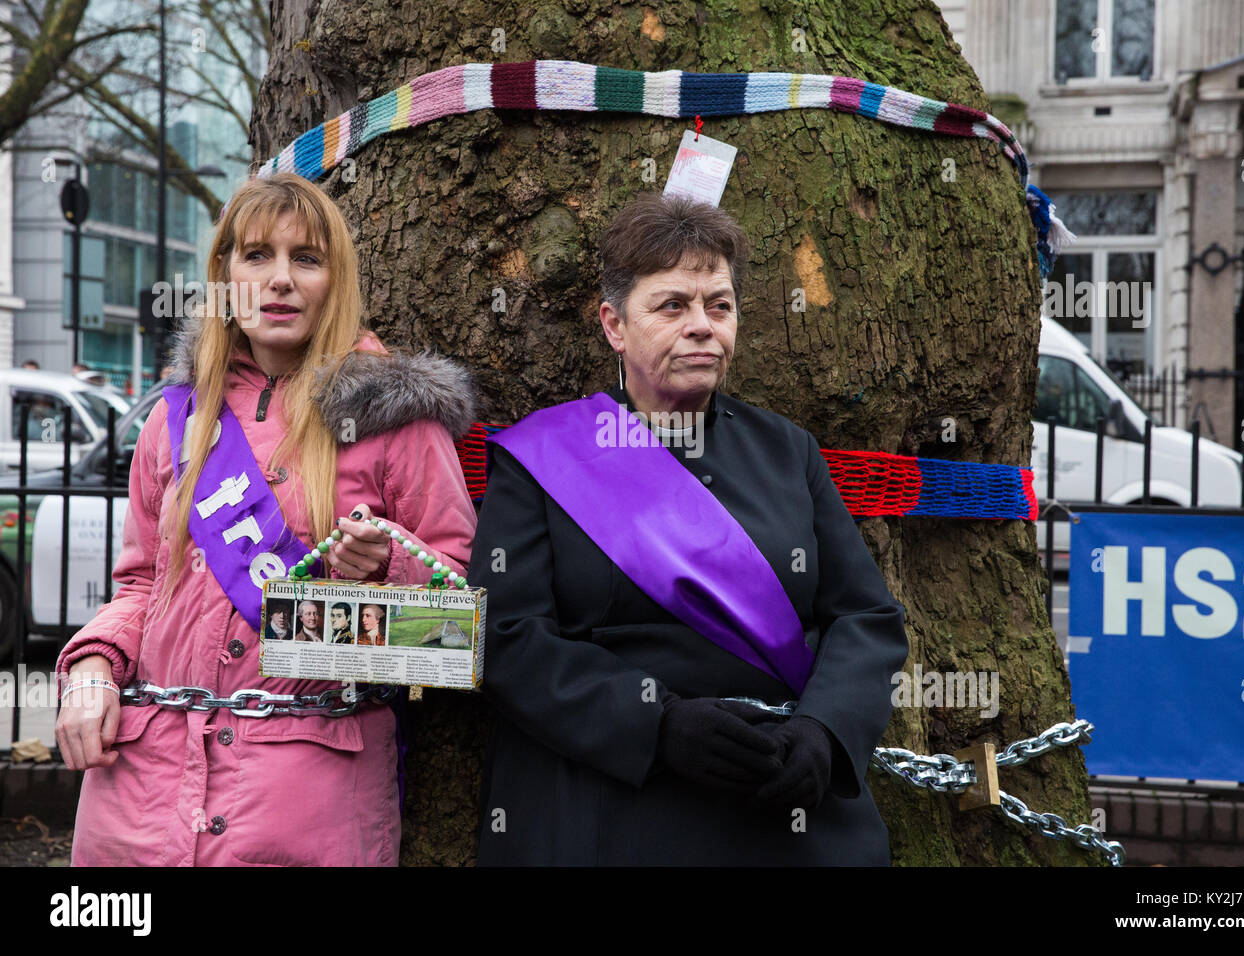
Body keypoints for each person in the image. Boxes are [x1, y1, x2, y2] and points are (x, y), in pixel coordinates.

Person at [470, 193, 910, 866]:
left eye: (720, 305)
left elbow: (866, 617)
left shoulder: (787, 450)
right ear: (615, 325)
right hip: (612, 800)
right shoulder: (541, 458)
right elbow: (505, 638)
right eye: (673, 305)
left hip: (779, 797)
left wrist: (826, 731)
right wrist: (656, 725)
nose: (703, 326)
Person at [54, 172, 478, 866]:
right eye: (257, 256)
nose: (279, 280)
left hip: (306, 801)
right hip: (141, 796)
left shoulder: (400, 423)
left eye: (305, 259)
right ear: (224, 273)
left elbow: (450, 626)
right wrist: (93, 666)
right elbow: (139, 587)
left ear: (335, 279)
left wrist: (382, 571)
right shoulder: (174, 419)